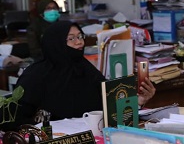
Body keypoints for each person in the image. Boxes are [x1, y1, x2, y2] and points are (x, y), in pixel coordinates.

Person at [13, 21, 156, 126]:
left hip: (90, 138)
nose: (79, 43)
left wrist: (137, 101)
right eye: (71, 38)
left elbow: (110, 104)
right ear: (55, 43)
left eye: (80, 36)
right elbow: (16, 119)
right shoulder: (35, 76)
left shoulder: (85, 69)